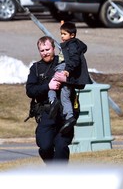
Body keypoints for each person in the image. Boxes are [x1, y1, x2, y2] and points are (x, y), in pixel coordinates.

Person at [26, 36, 78, 164]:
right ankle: (52, 170)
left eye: (47, 49)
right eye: (42, 50)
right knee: (44, 147)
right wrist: (47, 87)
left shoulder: (65, 63)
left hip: (64, 113)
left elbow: (82, 82)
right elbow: (30, 90)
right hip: (47, 113)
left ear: (54, 48)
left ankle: (59, 178)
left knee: (61, 147)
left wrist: (66, 79)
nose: (45, 53)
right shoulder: (36, 68)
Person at [49, 21, 92, 135]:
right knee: (65, 95)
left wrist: (68, 70)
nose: (62, 36)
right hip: (67, 71)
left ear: (72, 35)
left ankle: (53, 102)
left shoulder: (72, 45)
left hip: (65, 68)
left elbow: (74, 60)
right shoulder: (72, 44)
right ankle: (70, 116)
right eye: (61, 33)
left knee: (52, 84)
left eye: (64, 34)